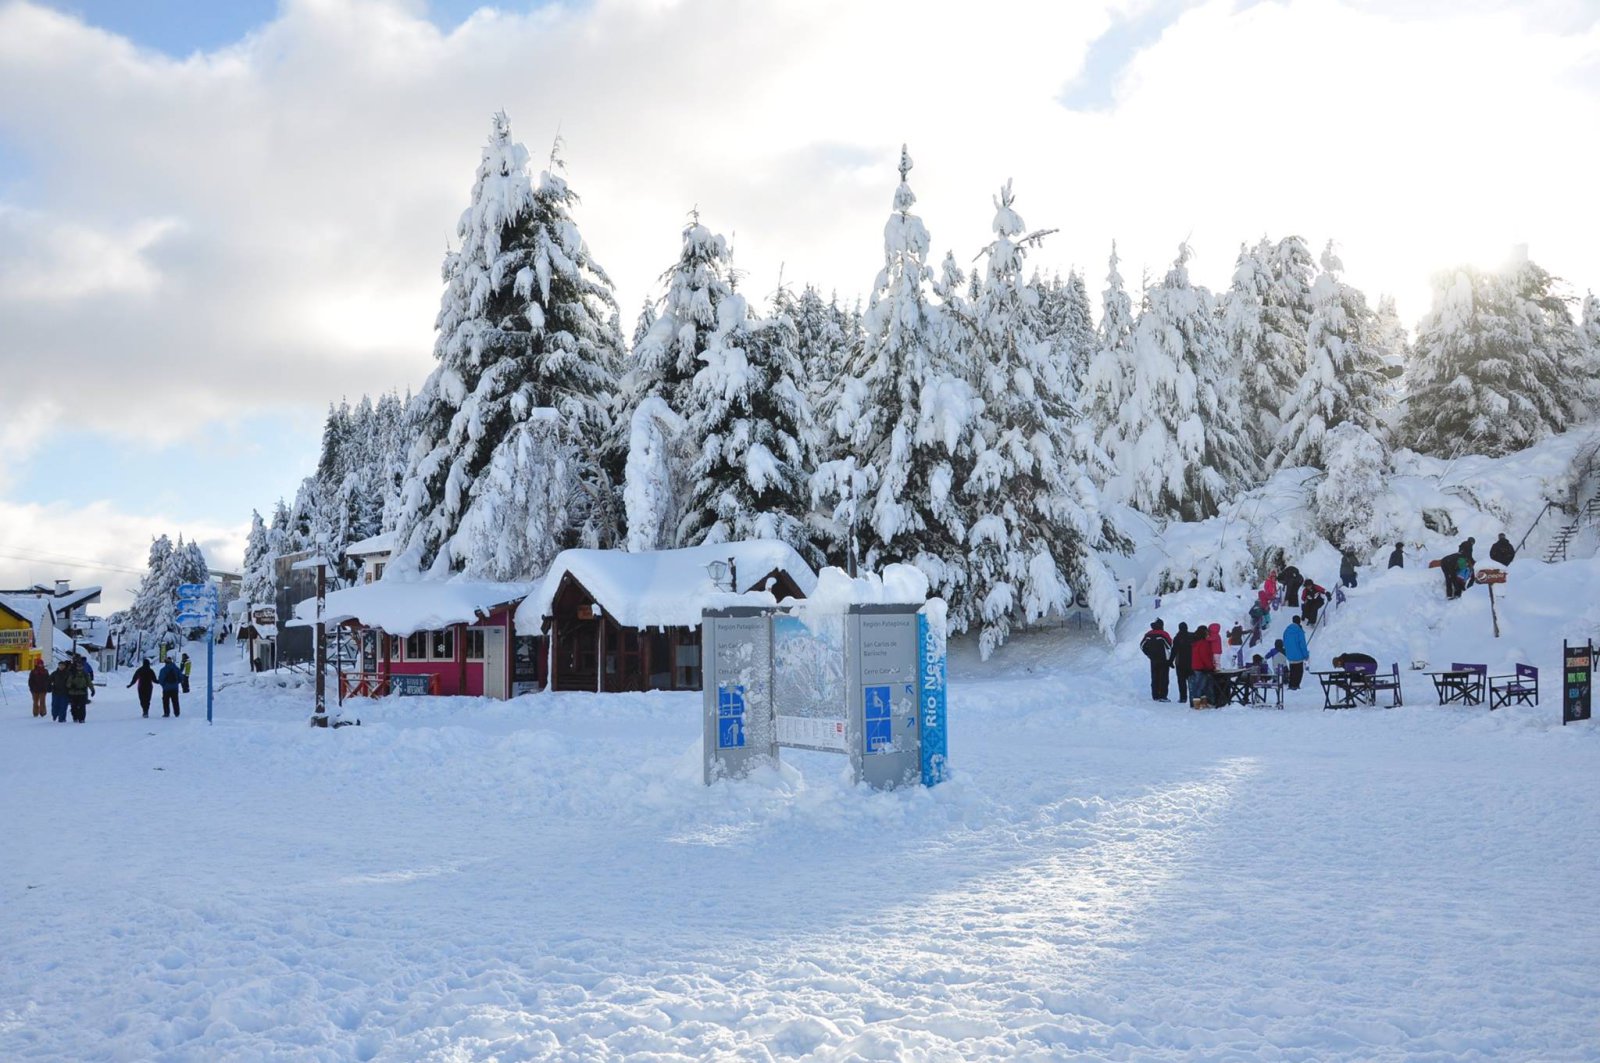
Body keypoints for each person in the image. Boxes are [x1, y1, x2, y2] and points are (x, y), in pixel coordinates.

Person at [1140, 619, 1173, 702]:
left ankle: (1155, 695)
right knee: (1164, 677)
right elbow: (1169, 645)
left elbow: (1142, 646)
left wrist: (1148, 654)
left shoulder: (1148, 634)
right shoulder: (1163, 634)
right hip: (1163, 659)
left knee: (1154, 677)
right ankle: (1163, 696)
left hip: (1153, 659)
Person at [1190, 621, 1218, 708]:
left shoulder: (1195, 642)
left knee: (1198, 685)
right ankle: (1200, 704)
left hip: (1196, 667)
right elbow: (1205, 656)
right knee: (1202, 686)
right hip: (1202, 668)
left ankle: (1199, 703)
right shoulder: (1204, 643)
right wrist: (1210, 667)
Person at [1283, 616, 1309, 691]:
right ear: (1299, 621)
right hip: (1299, 655)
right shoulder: (1299, 631)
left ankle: (1291, 684)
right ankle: (1296, 685)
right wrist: (1305, 655)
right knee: (1299, 671)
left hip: (1290, 655)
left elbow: (1284, 642)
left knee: (1292, 670)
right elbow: (1302, 644)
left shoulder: (1286, 631)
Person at [1171, 622, 1194, 704]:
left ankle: (1183, 698)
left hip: (1180, 663)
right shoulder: (1192, 636)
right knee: (1192, 680)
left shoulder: (1177, 638)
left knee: (1181, 681)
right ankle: (1193, 697)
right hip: (1191, 662)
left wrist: (1170, 661)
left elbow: (1174, 650)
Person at [66, 659, 92, 723]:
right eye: (78, 666)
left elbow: (89, 683)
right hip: (73, 693)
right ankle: (75, 717)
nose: (79, 667)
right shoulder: (72, 674)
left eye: (80, 666)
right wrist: (70, 686)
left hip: (82, 693)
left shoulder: (85, 675)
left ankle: (82, 718)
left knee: (82, 706)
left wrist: (92, 689)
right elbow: (68, 683)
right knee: (74, 707)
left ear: (83, 667)